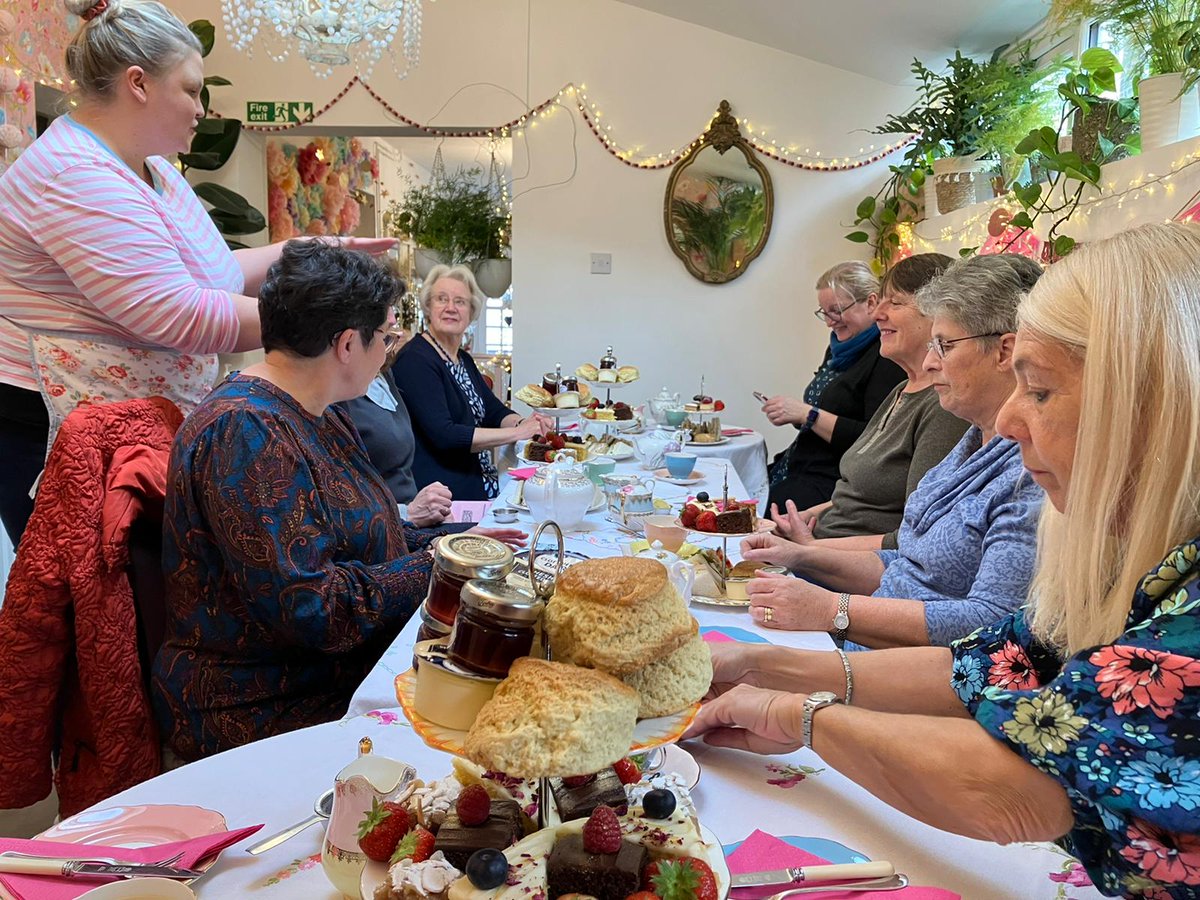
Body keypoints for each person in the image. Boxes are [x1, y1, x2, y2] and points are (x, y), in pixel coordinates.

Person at [684, 222, 1200, 899]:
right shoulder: (1133, 561)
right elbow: (990, 660)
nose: (1012, 422)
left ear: (1153, 404)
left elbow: (1023, 787)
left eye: (1039, 391)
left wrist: (796, 714)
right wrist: (761, 664)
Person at [0, 0, 394, 546]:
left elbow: (215, 273)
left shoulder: (153, 167)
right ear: (138, 84)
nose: (201, 108)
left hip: (140, 426)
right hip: (60, 426)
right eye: (190, 89)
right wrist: (326, 319)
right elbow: (180, 311)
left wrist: (312, 248)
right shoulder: (73, 173)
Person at [152, 242, 525, 761]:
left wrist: (457, 544)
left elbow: (367, 539)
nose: (390, 351)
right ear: (348, 343)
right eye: (387, 338)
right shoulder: (246, 431)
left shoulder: (317, 411)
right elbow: (314, 607)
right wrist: (440, 561)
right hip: (264, 705)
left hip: (326, 671)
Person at [742, 254, 1045, 649]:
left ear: (1005, 352)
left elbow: (992, 623)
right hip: (863, 646)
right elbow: (906, 563)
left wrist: (831, 608)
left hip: (891, 671)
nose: (932, 362)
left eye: (944, 345)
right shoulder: (971, 444)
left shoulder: (1031, 472)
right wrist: (798, 557)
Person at [798, 253, 969, 545]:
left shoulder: (944, 406)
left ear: (938, 314)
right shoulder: (901, 389)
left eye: (896, 302)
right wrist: (801, 520)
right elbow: (851, 496)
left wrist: (808, 550)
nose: (877, 313)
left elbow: (912, 539)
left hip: (847, 566)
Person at [392, 264, 550, 500]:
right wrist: (517, 434)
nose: (450, 308)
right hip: (443, 498)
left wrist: (524, 423)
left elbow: (494, 412)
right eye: (441, 299)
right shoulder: (415, 359)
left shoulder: (461, 358)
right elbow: (446, 436)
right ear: (428, 307)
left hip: (476, 483)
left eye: (460, 301)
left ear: (471, 311)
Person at [763, 262, 905, 512]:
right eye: (824, 312)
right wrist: (797, 414)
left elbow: (872, 439)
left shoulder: (884, 358)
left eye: (836, 311)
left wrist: (808, 415)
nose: (829, 322)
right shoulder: (839, 349)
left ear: (871, 303)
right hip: (801, 465)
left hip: (831, 481)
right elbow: (834, 407)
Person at [340, 321, 467, 529]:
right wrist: (410, 514)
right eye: (386, 335)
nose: (398, 336)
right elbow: (345, 516)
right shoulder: (338, 398)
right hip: (389, 529)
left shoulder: (383, 372)